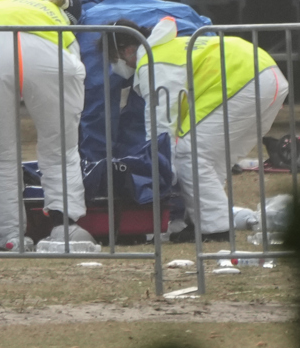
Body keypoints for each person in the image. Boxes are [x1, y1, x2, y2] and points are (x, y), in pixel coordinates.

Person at [105, 17, 289, 241]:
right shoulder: (168, 48)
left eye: (114, 59)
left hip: (245, 81)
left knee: (188, 154)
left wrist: (161, 162)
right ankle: (201, 222)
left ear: (128, 50)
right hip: (266, 77)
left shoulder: (153, 61)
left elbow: (162, 116)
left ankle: (215, 228)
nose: (114, 66)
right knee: (212, 161)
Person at [0, 0, 94, 249]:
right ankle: (65, 227)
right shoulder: (59, 21)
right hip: (48, 52)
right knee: (61, 149)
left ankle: (5, 234)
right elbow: (74, 68)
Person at [76, 0, 211, 207]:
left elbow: (98, 112)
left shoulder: (87, 41)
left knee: (158, 126)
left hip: (171, 41)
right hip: (190, 28)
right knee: (160, 121)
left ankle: (158, 189)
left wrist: (95, 167)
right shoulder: (94, 15)